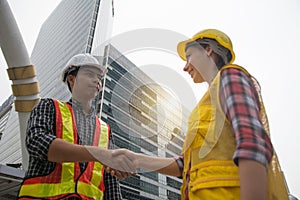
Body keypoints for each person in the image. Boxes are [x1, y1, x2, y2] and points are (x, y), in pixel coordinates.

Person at [107, 29, 289, 199]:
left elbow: (252, 142)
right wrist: (136, 159)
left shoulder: (230, 77)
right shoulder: (207, 102)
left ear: (208, 50)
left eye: (189, 57)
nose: (185, 67)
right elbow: (185, 165)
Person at [18, 53, 134, 200]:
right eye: (89, 74)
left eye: (99, 77)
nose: (96, 80)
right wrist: (99, 154)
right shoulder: (49, 107)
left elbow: (110, 184)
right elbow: (36, 141)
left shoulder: (105, 129)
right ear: (71, 79)